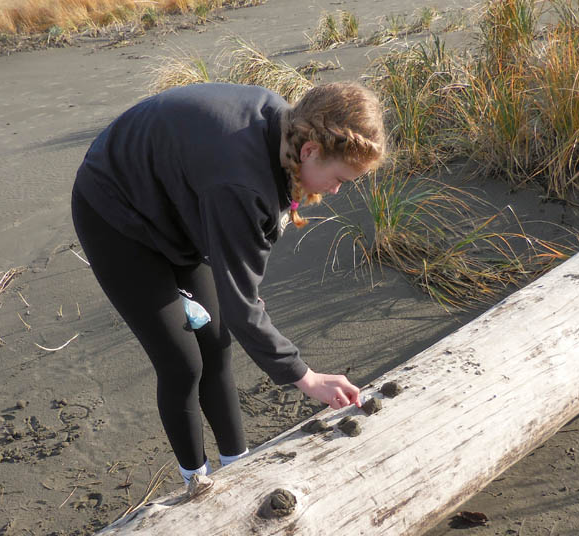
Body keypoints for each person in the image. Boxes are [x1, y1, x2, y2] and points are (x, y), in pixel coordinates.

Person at [71, 81, 386, 485]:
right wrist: (306, 377)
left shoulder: (286, 131)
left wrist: (244, 296)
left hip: (176, 205)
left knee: (216, 344)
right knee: (182, 363)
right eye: (339, 177)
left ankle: (239, 467)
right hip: (114, 211)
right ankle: (196, 484)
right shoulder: (241, 184)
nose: (337, 189)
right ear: (310, 151)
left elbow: (241, 281)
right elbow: (241, 306)